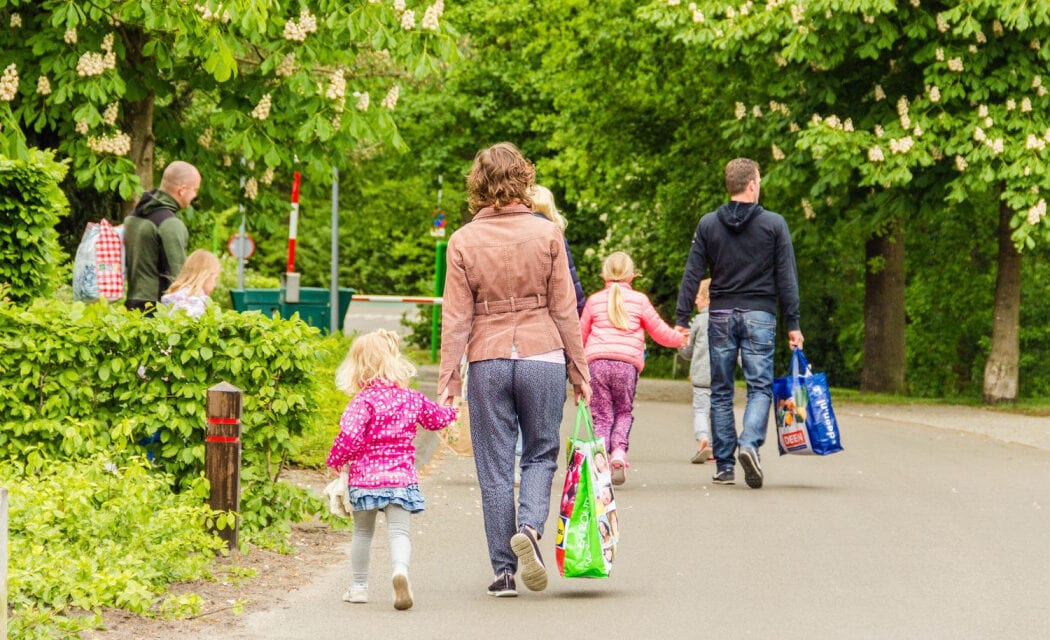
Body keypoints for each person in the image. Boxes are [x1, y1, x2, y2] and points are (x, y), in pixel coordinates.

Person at [437, 142, 591, 598]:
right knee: (541, 452)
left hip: (487, 358)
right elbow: (566, 310)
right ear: (523, 178)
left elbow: (456, 318)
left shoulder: (462, 240)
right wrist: (580, 373)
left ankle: (504, 572)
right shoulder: (548, 235)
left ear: (478, 183)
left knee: (494, 466)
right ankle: (530, 527)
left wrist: (449, 380)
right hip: (543, 353)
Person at [675, 158, 804, 489]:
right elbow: (786, 277)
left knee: (720, 390)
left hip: (719, 315)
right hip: (760, 314)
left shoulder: (708, 225)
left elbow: (692, 272)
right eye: (759, 180)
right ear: (751, 185)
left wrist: (680, 319)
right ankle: (749, 443)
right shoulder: (774, 225)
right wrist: (793, 322)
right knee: (759, 386)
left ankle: (725, 467)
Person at [326, 330, 458, 610]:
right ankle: (400, 572)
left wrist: (335, 461)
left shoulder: (361, 402)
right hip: (400, 478)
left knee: (362, 534)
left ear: (357, 367)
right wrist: (451, 408)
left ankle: (359, 587)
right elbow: (436, 420)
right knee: (399, 533)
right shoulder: (411, 398)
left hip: (364, 480)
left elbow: (349, 438)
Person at [580, 251, 685, 486]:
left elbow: (580, 334)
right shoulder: (639, 301)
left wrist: (575, 367)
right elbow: (659, 331)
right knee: (623, 412)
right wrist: (679, 339)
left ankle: (600, 462)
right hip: (626, 366)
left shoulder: (595, 300)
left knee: (601, 416)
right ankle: (618, 453)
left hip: (597, 364)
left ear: (604, 273)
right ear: (632, 275)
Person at [124, 160, 201, 313]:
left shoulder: (134, 216)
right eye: (195, 190)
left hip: (132, 303)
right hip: (156, 308)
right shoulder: (170, 224)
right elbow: (179, 275)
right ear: (182, 190)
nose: (195, 195)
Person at [679, 278, 713, 464]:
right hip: (721, 376)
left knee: (701, 410)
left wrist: (680, 342)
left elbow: (688, 352)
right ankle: (719, 447)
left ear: (708, 299)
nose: (695, 301)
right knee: (719, 411)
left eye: (699, 296)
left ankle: (702, 439)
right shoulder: (728, 319)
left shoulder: (699, 321)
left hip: (700, 376)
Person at [160, 250, 221, 319]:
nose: (215, 285)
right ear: (205, 276)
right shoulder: (197, 302)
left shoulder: (173, 296)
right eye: (215, 279)